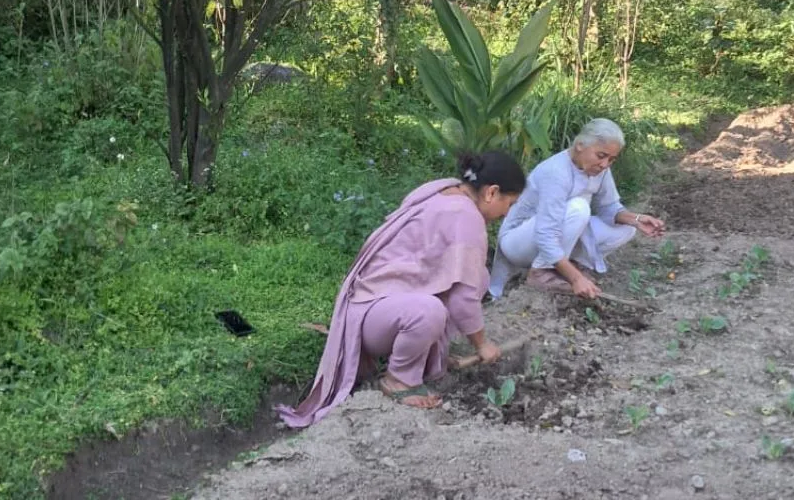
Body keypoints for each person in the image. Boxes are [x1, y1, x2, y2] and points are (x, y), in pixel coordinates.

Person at [277, 151, 526, 427]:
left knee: (476, 275)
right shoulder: (466, 217)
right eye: (510, 203)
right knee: (430, 311)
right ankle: (399, 379)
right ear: (492, 193)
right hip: (371, 314)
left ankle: (426, 357)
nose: (507, 213)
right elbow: (461, 299)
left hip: (379, 305)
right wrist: (483, 345)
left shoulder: (443, 190)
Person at [488, 118, 665, 300]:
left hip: (553, 236)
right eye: (601, 156)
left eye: (611, 160)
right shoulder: (556, 172)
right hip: (518, 242)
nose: (605, 165)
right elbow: (546, 233)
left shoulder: (601, 170)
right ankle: (541, 272)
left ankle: (571, 264)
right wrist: (576, 279)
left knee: (627, 228)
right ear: (580, 145)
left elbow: (609, 207)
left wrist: (637, 219)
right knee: (579, 208)